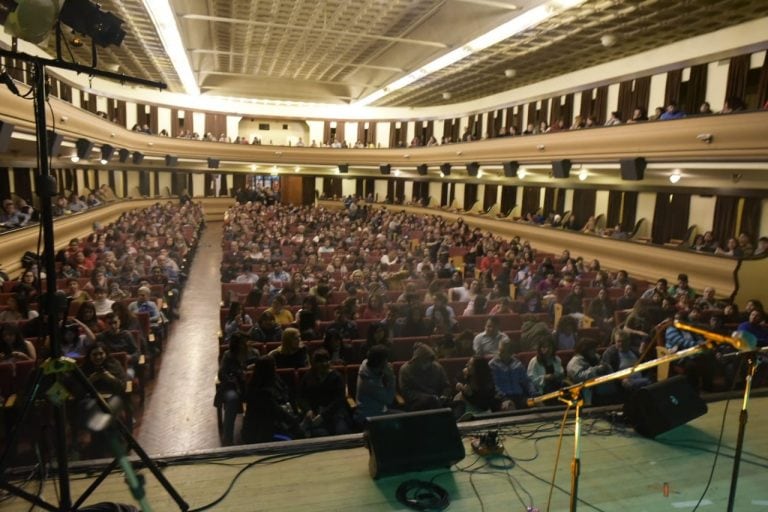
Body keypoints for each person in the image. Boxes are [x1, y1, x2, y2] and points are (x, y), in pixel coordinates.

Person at [241, 356, 303, 444]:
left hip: (274, 425)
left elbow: (286, 392)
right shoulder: (261, 393)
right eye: (274, 366)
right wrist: (296, 423)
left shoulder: (275, 379)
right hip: (260, 435)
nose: (276, 368)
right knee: (292, 438)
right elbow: (279, 413)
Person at [217, 333, 260, 445]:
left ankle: (253, 435)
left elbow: (261, 370)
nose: (245, 345)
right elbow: (222, 375)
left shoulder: (254, 353)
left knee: (261, 396)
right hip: (233, 386)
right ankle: (228, 439)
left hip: (251, 386)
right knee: (232, 399)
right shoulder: (228, 355)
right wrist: (237, 376)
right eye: (242, 343)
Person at [298, 349, 352, 437]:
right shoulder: (308, 376)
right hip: (314, 413)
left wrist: (323, 415)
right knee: (319, 434)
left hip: (334, 413)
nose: (324, 364)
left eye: (326, 361)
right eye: (320, 362)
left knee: (341, 432)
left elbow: (339, 400)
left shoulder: (336, 377)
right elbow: (300, 396)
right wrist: (307, 410)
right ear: (314, 364)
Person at [398, 343, 451, 411]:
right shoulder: (405, 370)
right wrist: (427, 398)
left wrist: (444, 396)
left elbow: (446, 386)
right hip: (418, 403)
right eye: (424, 361)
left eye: (429, 361)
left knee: (458, 404)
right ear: (416, 360)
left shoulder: (437, 367)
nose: (427, 363)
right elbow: (407, 392)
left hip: (438, 401)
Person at [354, 345, 397, 424]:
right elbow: (389, 400)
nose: (387, 363)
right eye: (386, 361)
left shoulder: (365, 365)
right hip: (370, 417)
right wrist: (391, 377)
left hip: (379, 410)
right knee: (403, 422)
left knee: (405, 417)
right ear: (380, 363)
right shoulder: (370, 382)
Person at [489, 339, 535, 409]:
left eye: (504, 351)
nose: (500, 353)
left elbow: (527, 381)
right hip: (503, 397)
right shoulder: (493, 365)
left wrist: (534, 394)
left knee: (537, 403)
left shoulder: (517, 363)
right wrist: (503, 398)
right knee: (510, 407)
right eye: (500, 350)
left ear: (510, 352)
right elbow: (494, 385)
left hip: (520, 396)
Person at [566, 338, 612, 405]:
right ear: (585, 350)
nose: (595, 351)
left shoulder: (595, 357)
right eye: (592, 349)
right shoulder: (575, 362)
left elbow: (604, 366)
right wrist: (596, 370)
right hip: (586, 391)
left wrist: (605, 367)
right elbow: (579, 377)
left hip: (601, 388)